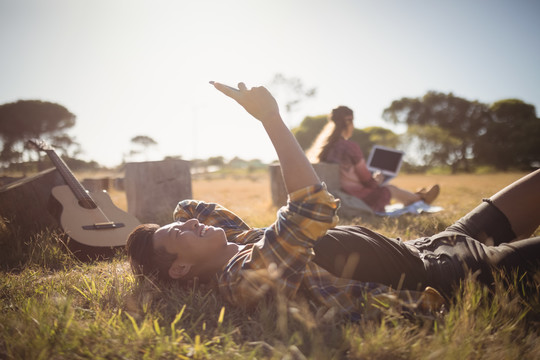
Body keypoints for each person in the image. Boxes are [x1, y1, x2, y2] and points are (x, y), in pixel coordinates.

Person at [127, 82, 540, 320]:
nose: (186, 223)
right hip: (457, 277)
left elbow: (190, 207)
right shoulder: (242, 279)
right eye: (178, 235)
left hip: (434, 243)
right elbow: (310, 208)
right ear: (180, 267)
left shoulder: (240, 238)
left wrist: (160, 235)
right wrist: (271, 118)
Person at [306, 105, 440, 212]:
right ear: (349, 122)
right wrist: (376, 179)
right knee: (388, 188)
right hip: (357, 196)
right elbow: (366, 179)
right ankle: (421, 199)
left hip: (339, 194)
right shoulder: (349, 147)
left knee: (388, 187)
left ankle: (416, 197)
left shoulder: (324, 147)